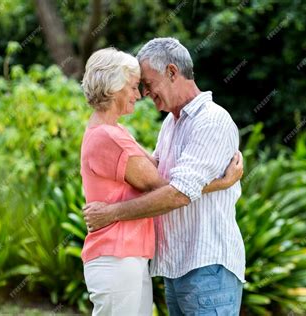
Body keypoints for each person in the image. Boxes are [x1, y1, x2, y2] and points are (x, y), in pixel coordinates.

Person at [84, 38, 246, 315]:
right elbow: (164, 182)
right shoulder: (170, 124)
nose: (144, 93)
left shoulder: (211, 120)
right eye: (138, 86)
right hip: (176, 268)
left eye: (146, 83)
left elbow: (178, 192)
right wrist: (221, 183)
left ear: (172, 72)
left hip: (207, 266)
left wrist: (112, 213)